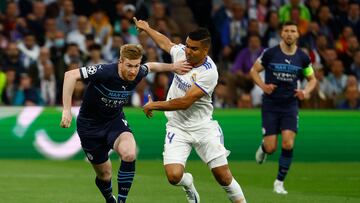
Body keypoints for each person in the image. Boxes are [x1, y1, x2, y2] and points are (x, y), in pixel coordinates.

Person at [134, 17, 247, 203]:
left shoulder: (209, 72)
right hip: (177, 127)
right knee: (173, 176)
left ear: (205, 50)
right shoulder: (182, 54)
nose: (187, 51)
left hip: (203, 127)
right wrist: (147, 29)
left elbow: (185, 102)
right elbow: (166, 43)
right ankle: (188, 183)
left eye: (193, 48)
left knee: (223, 177)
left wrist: (155, 104)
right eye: (187, 45)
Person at [60, 44, 191, 203]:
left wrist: (173, 66)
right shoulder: (104, 71)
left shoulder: (138, 72)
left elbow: (151, 66)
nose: (133, 70)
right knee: (104, 174)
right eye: (129, 65)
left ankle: (122, 201)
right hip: (90, 127)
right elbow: (70, 75)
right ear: (120, 61)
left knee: (129, 154)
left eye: (136, 66)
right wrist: (67, 110)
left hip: (114, 121)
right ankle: (110, 199)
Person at [249, 21, 317, 194]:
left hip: (290, 105)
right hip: (271, 105)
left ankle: (279, 183)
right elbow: (253, 71)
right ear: (281, 33)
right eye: (286, 30)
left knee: (288, 142)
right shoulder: (270, 53)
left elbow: (312, 79)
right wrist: (264, 87)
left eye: (292, 31)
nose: (289, 34)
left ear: (297, 34)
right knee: (272, 147)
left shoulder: (302, 57)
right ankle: (264, 148)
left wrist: (306, 92)